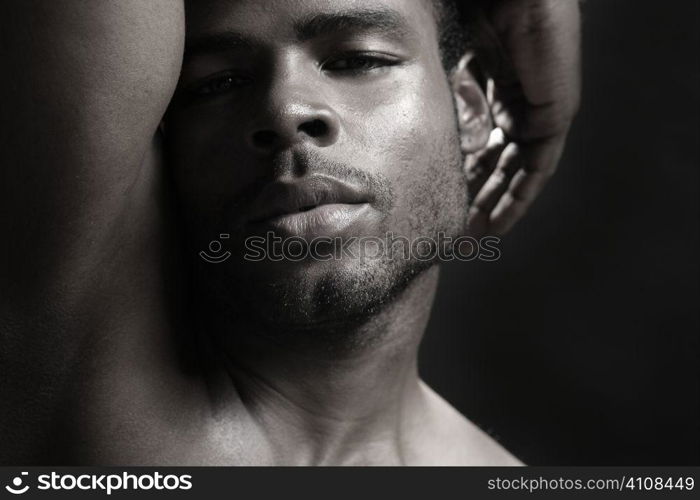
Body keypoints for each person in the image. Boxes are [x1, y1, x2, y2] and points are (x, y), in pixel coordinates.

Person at [0, 0, 580, 465]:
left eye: (359, 59)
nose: (285, 108)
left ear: (469, 109)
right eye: (217, 82)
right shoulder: (79, 359)